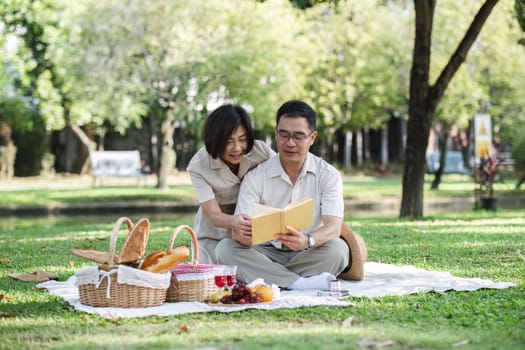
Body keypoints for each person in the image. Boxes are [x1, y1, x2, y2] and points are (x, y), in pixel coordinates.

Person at [216, 100, 367, 290]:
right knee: (225, 249)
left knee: (339, 250)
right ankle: (299, 283)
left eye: (298, 136)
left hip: (308, 251)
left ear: (312, 138)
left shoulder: (328, 175)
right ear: (275, 133)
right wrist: (243, 234)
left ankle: (270, 278)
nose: (290, 143)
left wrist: (307, 241)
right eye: (284, 135)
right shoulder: (256, 176)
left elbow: (333, 227)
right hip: (265, 250)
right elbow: (240, 234)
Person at [187, 104, 275, 264]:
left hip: (256, 237)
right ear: (215, 139)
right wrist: (235, 221)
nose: (237, 148)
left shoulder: (261, 152)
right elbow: (214, 215)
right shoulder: (199, 166)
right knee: (213, 279)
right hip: (214, 236)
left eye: (242, 139)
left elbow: (283, 175)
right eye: (229, 141)